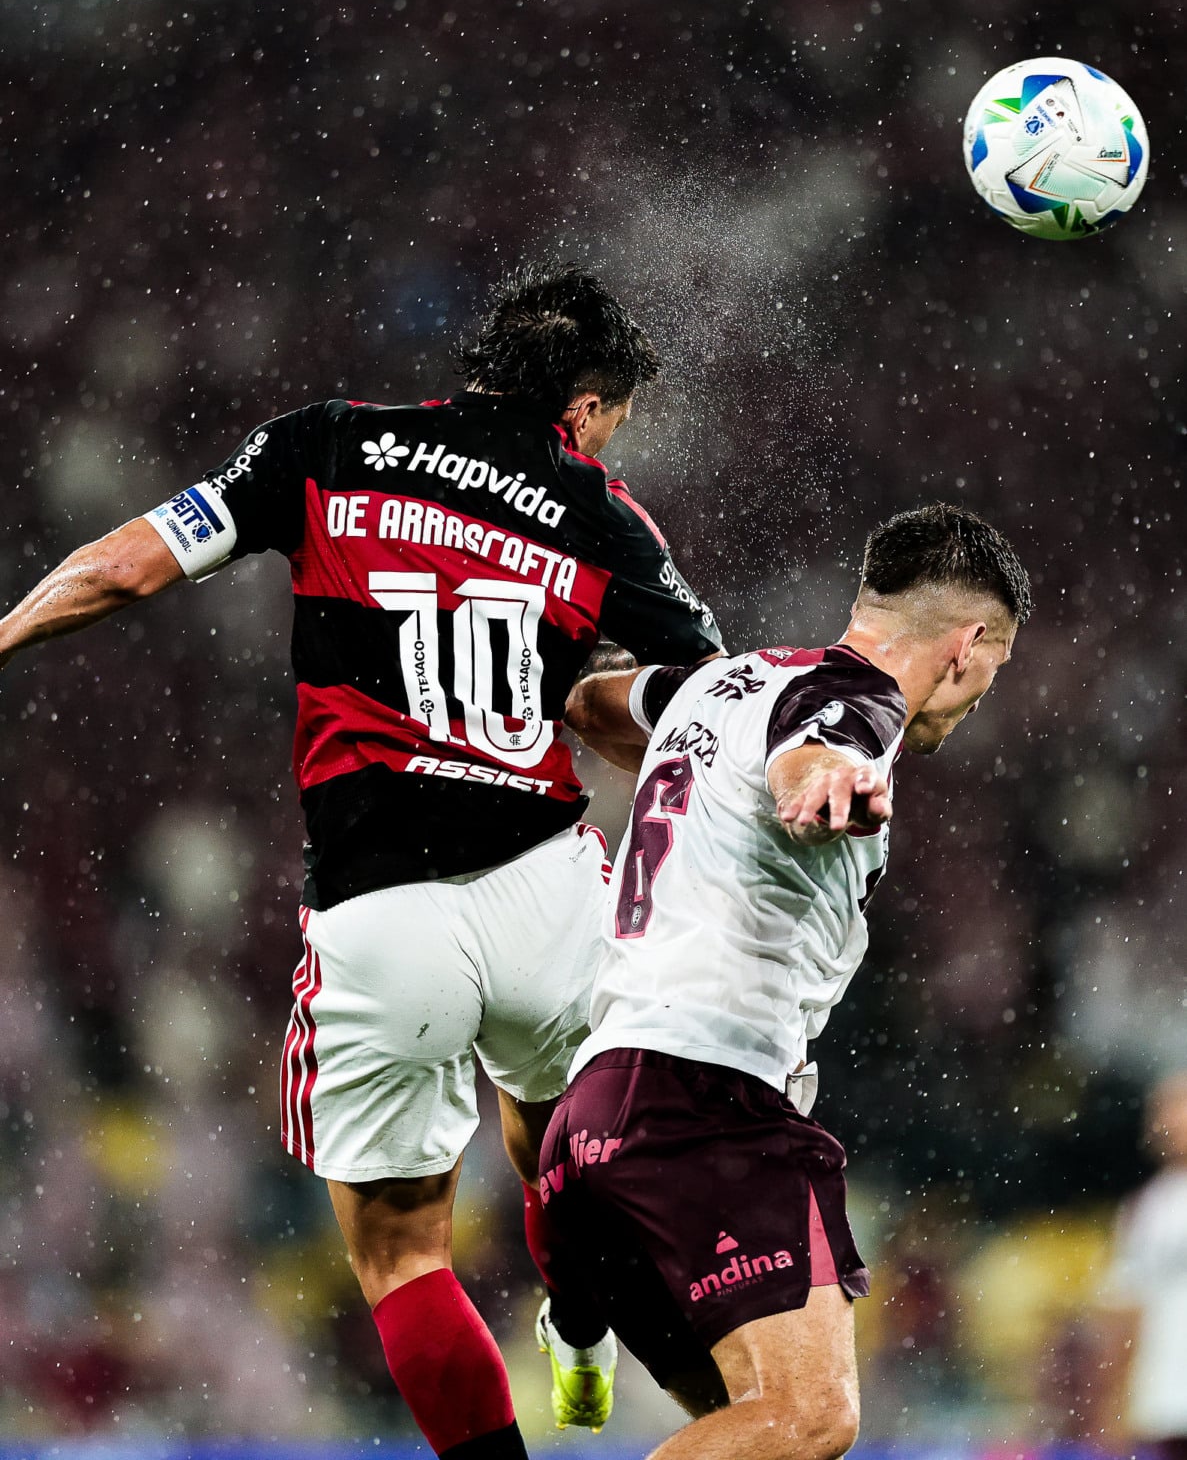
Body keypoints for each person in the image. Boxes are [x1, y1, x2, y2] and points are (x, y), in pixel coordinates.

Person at [0, 264, 723, 1459]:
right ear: (586, 407)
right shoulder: (600, 510)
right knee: (568, 1158)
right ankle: (592, 1321)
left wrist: (7, 634)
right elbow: (707, 698)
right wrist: (594, 702)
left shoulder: (328, 444)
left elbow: (128, 565)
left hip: (382, 907)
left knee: (401, 1255)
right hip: (545, 882)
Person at [537, 502, 1031, 1460]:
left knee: (753, 1434)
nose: (978, 698)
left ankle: (573, 1320)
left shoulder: (718, 683)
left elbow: (589, 705)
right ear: (967, 645)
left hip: (593, 1119)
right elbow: (819, 750)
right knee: (811, 1418)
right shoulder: (862, 702)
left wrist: (698, 762)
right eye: (994, 670)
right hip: (701, 1105)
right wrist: (814, 781)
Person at [1094, 1069, 1187, 1460]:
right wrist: (1111, 1401)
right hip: (1166, 1398)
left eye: (1179, 1108)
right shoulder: (1147, 1208)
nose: (1168, 1122)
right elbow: (1125, 1307)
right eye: (1162, 1110)